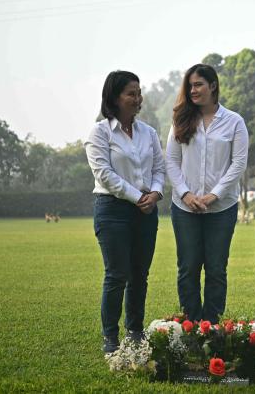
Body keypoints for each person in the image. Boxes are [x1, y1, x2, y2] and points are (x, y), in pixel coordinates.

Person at [85, 70, 165, 353]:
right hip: (113, 210)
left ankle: (135, 331)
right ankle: (110, 337)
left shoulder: (150, 133)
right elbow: (104, 174)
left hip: (146, 211)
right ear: (114, 97)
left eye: (138, 92)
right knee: (117, 274)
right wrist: (138, 196)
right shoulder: (100, 132)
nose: (137, 98)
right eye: (131, 93)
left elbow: (159, 169)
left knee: (139, 275)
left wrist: (154, 194)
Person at [166, 63, 249, 323]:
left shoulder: (234, 121)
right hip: (185, 209)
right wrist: (186, 194)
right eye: (190, 85)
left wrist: (214, 195)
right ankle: (190, 326)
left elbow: (238, 163)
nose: (193, 90)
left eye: (198, 84)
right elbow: (171, 161)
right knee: (188, 268)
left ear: (213, 86)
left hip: (221, 209)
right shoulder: (180, 119)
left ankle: (211, 328)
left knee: (215, 269)